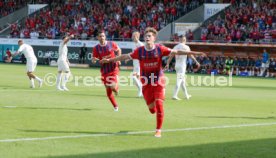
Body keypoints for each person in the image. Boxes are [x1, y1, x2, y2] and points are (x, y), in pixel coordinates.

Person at [100, 27, 205, 137]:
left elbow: (177, 51)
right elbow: (125, 56)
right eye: (145, 36)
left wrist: (195, 52)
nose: (147, 37)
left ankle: (158, 130)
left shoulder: (160, 48)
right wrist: (110, 60)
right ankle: (153, 108)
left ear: (154, 38)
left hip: (158, 81)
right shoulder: (139, 51)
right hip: (146, 82)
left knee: (159, 104)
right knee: (152, 110)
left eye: (149, 36)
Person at [92, 30, 121, 111]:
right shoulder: (96, 48)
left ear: (105, 37)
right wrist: (94, 60)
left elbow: (118, 50)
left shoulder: (111, 44)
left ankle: (116, 88)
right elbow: (94, 59)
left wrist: (118, 58)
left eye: (103, 36)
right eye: (100, 36)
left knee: (112, 86)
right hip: (104, 70)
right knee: (108, 91)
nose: (102, 38)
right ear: (97, 37)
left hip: (113, 67)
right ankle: (115, 106)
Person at [165, 35, 200, 100]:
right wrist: (196, 61)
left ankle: (186, 95)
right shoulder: (186, 47)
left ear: (179, 39)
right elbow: (190, 55)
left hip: (177, 66)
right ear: (184, 40)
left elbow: (171, 56)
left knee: (182, 82)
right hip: (182, 66)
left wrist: (167, 63)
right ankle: (174, 95)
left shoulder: (176, 47)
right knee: (179, 80)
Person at [125, 31, 144, 97]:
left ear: (137, 37)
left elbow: (142, 54)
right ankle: (141, 91)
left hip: (139, 64)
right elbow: (133, 54)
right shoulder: (133, 44)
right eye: (132, 36)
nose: (132, 37)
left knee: (133, 77)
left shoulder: (141, 44)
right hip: (135, 64)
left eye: (134, 36)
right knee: (136, 79)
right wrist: (128, 58)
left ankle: (141, 89)